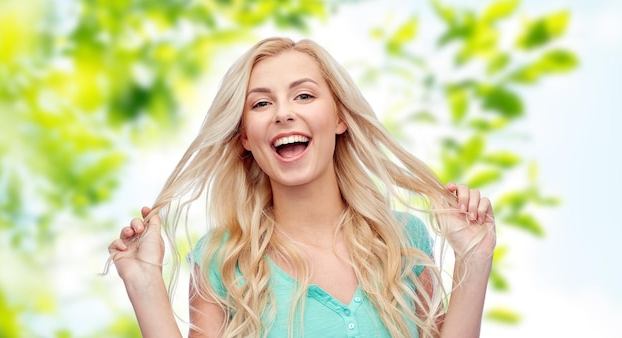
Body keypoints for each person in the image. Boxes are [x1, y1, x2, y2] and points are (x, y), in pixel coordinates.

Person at [108, 37, 496, 338]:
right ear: (244, 136)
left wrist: (474, 259)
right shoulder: (221, 261)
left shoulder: (403, 241)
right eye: (260, 104)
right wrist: (145, 286)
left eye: (304, 95)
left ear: (340, 117)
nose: (283, 113)